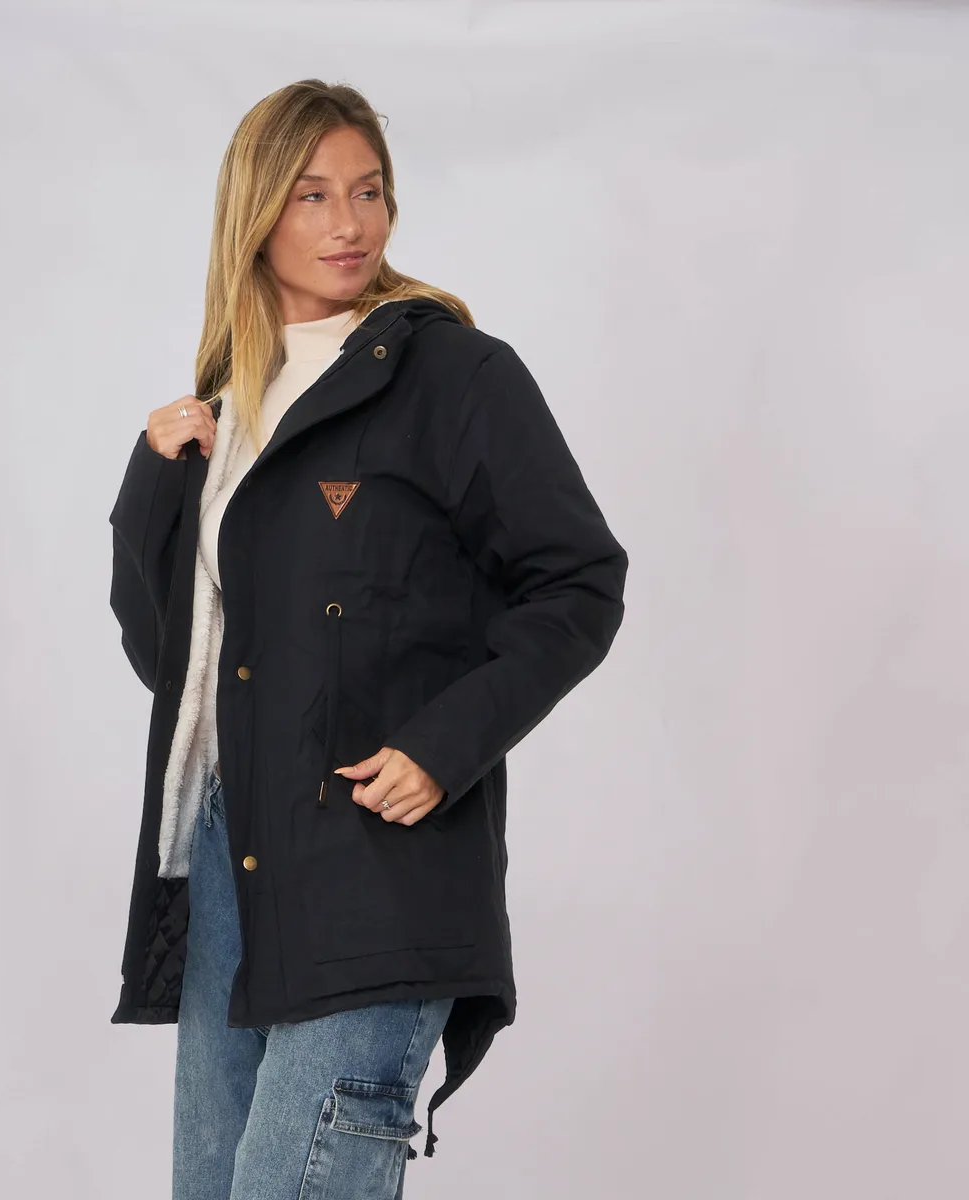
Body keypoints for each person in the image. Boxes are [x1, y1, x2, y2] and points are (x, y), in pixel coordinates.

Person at [107, 79, 628, 1198]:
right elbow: (167, 664)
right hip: (225, 861)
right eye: (312, 195)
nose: (349, 224)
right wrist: (154, 484)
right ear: (255, 213)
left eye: (369, 191)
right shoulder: (226, 408)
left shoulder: (455, 376)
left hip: (378, 869)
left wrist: (446, 744)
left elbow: (580, 582)